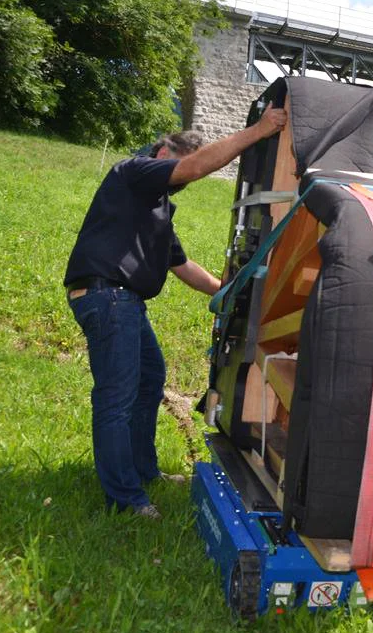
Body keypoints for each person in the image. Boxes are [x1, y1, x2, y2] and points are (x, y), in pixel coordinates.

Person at [64, 105, 287, 519]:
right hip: (107, 296)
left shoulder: (156, 208)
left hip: (122, 302)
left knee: (150, 380)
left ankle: (144, 473)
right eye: (180, 170)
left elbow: (182, 267)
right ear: (165, 153)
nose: (180, 183)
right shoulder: (134, 171)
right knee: (116, 398)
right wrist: (258, 131)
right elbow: (193, 169)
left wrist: (231, 291)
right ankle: (125, 500)